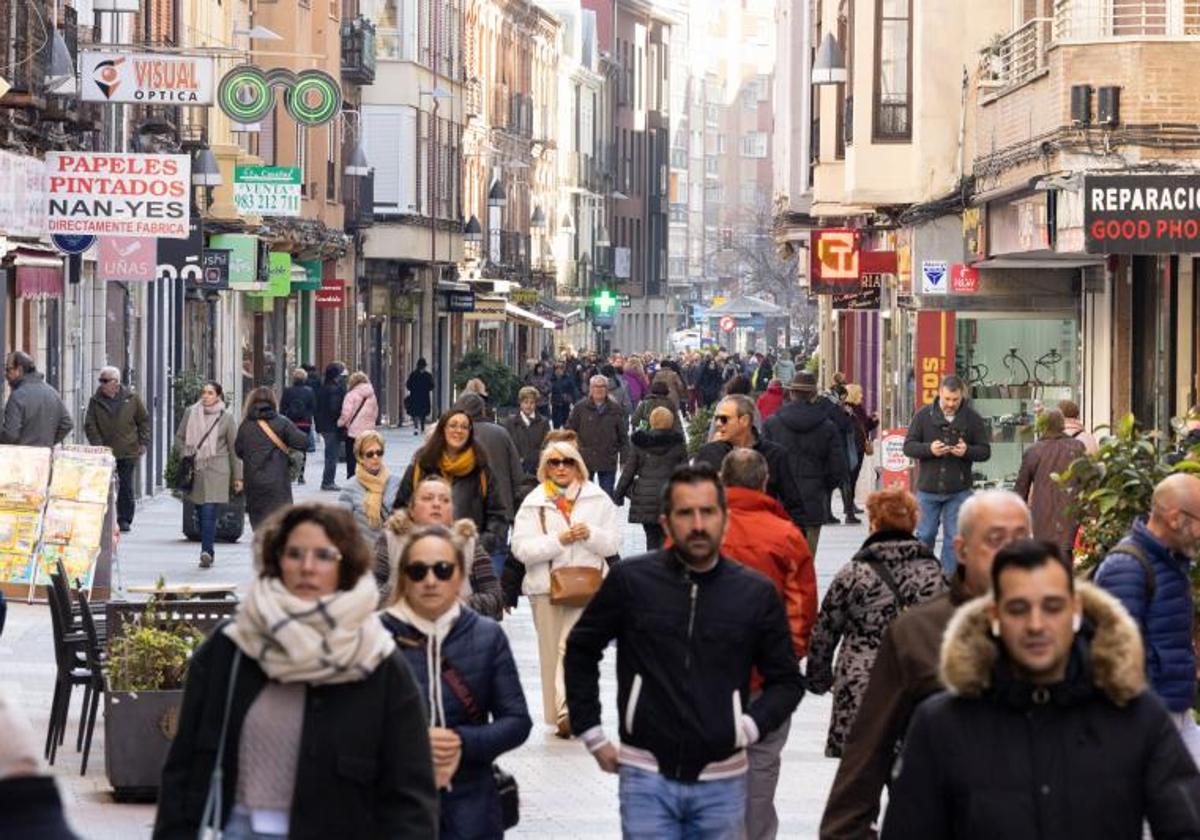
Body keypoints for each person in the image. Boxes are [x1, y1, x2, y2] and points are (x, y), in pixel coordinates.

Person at [154, 503, 438, 839]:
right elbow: (182, 771)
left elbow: (411, 797)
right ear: (277, 561)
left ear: (344, 565)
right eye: (295, 554)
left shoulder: (377, 661)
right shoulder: (233, 647)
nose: (307, 567)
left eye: (323, 556)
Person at [881, 540, 1200, 839]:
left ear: (1075, 610)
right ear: (995, 615)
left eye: (1052, 607)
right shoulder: (942, 724)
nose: (1036, 624)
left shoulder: (1136, 716)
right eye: (1019, 609)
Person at [563, 463, 803, 838]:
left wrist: (748, 727)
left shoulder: (754, 594)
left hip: (722, 779)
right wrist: (591, 730)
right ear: (666, 521)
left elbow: (786, 681)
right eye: (685, 513)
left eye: (707, 512)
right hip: (646, 774)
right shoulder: (632, 582)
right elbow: (581, 647)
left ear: (724, 518)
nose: (697, 524)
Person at [819, 489, 1031, 839]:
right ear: (961, 549)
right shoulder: (919, 629)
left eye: (1021, 538)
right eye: (995, 538)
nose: (1010, 551)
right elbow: (859, 776)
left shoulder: (1065, 631)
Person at [380, 525, 531, 838]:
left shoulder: (486, 636)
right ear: (404, 575)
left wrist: (461, 743)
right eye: (418, 570)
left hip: (471, 802)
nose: (431, 579)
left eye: (443, 569)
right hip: (394, 802)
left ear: (460, 577)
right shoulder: (375, 637)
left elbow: (517, 720)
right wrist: (413, 745)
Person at [717, 449, 817, 840]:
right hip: (766, 676)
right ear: (764, 482)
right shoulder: (786, 535)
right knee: (762, 764)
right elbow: (802, 605)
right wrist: (787, 654)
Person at [805, 487, 946, 758]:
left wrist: (819, 678)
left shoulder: (855, 573)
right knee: (909, 785)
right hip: (915, 688)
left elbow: (825, 630)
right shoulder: (934, 575)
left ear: (873, 523)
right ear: (914, 522)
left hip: (861, 687)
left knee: (859, 787)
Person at [510, 439, 619, 737]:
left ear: (577, 465)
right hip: (545, 586)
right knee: (550, 653)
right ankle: (557, 713)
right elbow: (522, 549)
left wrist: (590, 534)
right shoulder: (534, 501)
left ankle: (567, 709)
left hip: (588, 585)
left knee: (570, 647)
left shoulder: (598, 499)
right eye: (554, 463)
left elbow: (613, 542)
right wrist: (560, 540)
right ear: (545, 467)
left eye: (567, 461)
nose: (560, 468)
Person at [1094, 473, 1200, 768]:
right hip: (1147, 719)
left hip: (1174, 712)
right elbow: (1116, 658)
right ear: (1176, 518)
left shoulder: (1170, 561)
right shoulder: (1127, 568)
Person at [375, 476, 504, 619]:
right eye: (428, 498)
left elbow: (495, 599)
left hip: (456, 633)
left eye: (445, 500)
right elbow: (369, 592)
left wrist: (456, 604)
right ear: (412, 509)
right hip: (401, 632)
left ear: (452, 512)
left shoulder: (469, 543)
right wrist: (407, 598)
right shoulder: (390, 540)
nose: (436, 504)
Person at [902, 374, 991, 573]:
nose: (951, 404)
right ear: (939, 394)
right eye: (947, 399)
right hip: (927, 488)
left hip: (958, 489)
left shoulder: (972, 418)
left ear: (962, 397)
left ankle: (948, 584)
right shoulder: (923, 415)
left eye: (955, 400)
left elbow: (985, 451)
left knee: (955, 539)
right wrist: (929, 449)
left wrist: (967, 451)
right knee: (925, 535)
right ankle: (923, 577)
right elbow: (908, 447)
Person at [397, 410, 507, 554]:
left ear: (470, 432)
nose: (458, 431)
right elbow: (401, 507)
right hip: (424, 554)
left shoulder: (481, 469)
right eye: (453, 425)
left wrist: (479, 545)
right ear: (443, 429)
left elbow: (497, 515)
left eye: (464, 427)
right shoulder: (422, 465)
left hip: (469, 559)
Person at [762, 372, 847, 552]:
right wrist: (825, 487)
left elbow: (763, 463)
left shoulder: (772, 424)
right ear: (813, 395)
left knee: (781, 560)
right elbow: (837, 466)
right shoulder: (827, 426)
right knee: (807, 561)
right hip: (813, 499)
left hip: (780, 502)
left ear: (791, 393)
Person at [695, 395, 801, 530]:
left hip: (764, 539)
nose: (718, 424)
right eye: (716, 419)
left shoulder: (775, 455)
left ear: (744, 420)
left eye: (724, 419)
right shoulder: (709, 453)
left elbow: (794, 505)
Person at [174, 381, 242, 569]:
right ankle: (208, 549)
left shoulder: (226, 418)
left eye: (210, 393)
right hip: (195, 469)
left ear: (218, 396)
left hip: (217, 470)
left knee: (209, 511)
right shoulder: (191, 412)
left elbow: (234, 449)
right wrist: (186, 453)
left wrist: (238, 477)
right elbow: (179, 438)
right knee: (198, 509)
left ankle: (207, 551)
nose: (206, 396)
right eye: (204, 392)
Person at [84, 366, 150, 532]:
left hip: (128, 449)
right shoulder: (95, 400)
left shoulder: (132, 398)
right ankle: (105, 517)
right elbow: (90, 425)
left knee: (126, 484)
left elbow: (143, 420)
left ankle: (125, 519)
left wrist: (143, 441)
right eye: (101, 380)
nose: (102, 384)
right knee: (105, 484)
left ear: (116, 382)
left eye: (105, 380)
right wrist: (98, 445)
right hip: (105, 452)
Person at [1014, 408, 1085, 560]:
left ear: (1042, 426)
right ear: (1062, 425)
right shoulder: (1077, 447)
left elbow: (1021, 490)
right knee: (1066, 558)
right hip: (1071, 514)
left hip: (1042, 516)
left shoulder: (1034, 451)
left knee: (1043, 559)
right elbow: (1087, 481)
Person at [235, 387, 308, 532]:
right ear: (273, 402)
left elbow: (238, 451)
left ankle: (263, 550)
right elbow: (303, 442)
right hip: (278, 481)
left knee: (259, 525)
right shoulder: (282, 422)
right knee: (280, 525)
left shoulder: (245, 426)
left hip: (253, 481)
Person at [615, 406, 688, 550]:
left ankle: (651, 567)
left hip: (645, 498)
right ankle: (666, 567)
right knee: (667, 537)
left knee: (651, 538)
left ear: (651, 421)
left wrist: (619, 495)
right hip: (670, 498)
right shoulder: (678, 444)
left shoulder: (640, 443)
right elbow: (685, 473)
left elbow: (629, 471)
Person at [565, 374, 630, 498]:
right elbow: (569, 431)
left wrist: (623, 459)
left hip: (607, 459)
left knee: (606, 498)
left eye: (602, 387)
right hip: (585, 460)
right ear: (590, 389)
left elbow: (623, 437)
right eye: (596, 386)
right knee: (584, 498)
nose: (599, 389)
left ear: (607, 389)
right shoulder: (580, 407)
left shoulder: (615, 409)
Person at [338, 430, 403, 549]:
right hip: (366, 554)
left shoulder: (396, 482)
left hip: (393, 552)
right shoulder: (349, 488)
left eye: (379, 452)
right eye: (370, 454)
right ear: (360, 457)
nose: (375, 457)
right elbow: (341, 527)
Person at [1, 351, 72, 447]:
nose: (6, 374)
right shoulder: (52, 392)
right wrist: (48, 443)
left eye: (8, 369)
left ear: (20, 369)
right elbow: (67, 423)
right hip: (44, 457)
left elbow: (10, 436)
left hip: (21, 457)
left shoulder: (17, 396)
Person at [843, 384, 877, 519]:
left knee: (853, 478)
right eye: (860, 393)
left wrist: (874, 421)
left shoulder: (858, 409)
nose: (862, 396)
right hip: (852, 448)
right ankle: (849, 509)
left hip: (859, 447)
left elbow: (866, 426)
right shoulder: (846, 409)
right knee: (850, 478)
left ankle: (850, 506)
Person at [501, 386, 550, 479]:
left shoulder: (543, 422)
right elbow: (506, 444)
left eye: (532, 402)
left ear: (536, 404)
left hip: (536, 470)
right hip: (516, 469)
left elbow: (546, 445)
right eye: (525, 402)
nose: (529, 406)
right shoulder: (510, 422)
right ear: (520, 403)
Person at [338, 371, 379, 481]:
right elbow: (375, 413)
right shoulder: (372, 395)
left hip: (353, 432)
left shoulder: (351, 395)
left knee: (352, 457)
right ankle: (366, 477)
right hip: (368, 432)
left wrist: (340, 423)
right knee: (365, 455)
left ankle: (352, 478)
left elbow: (346, 413)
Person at [280, 368, 316, 485]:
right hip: (304, 424)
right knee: (302, 448)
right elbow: (313, 407)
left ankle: (289, 472)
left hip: (290, 423)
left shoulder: (287, 391)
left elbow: (282, 407)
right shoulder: (309, 391)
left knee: (289, 447)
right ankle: (301, 475)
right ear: (304, 378)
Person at [314, 363, 346, 491]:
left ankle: (328, 481)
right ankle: (328, 481)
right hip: (332, 426)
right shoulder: (335, 389)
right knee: (332, 455)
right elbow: (335, 408)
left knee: (330, 454)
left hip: (323, 425)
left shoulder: (322, 387)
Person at [405, 358, 436, 435]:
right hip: (424, 397)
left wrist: (413, 389)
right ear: (424, 366)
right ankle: (422, 427)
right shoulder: (428, 375)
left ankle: (416, 428)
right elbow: (432, 386)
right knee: (423, 413)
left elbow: (408, 385)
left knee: (415, 412)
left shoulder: (413, 374)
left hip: (414, 396)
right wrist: (426, 389)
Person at [550, 362, 580, 429]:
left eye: (560, 369)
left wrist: (573, 400)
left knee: (565, 421)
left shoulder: (568, 378)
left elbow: (573, 390)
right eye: (557, 369)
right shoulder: (552, 379)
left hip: (565, 403)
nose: (558, 370)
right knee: (555, 422)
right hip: (555, 403)